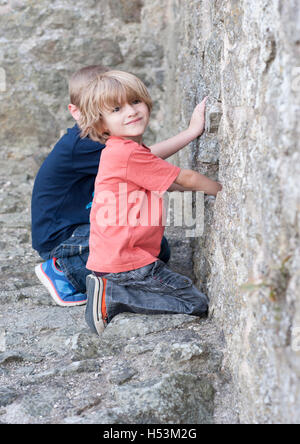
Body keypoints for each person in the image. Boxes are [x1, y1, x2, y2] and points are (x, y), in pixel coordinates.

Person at [31, 65, 211, 307]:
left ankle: (113, 285)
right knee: (121, 256)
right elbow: (147, 162)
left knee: (158, 250)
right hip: (63, 236)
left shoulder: (110, 139)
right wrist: (189, 133)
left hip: (85, 223)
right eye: (111, 107)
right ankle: (64, 270)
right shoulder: (84, 142)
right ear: (77, 111)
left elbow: (146, 164)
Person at [76, 70, 222, 335]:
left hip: (116, 256)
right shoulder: (128, 154)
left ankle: (112, 288)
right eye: (117, 108)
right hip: (128, 261)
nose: (130, 111)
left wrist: (191, 133)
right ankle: (113, 297)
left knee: (174, 277)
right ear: (101, 126)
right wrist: (221, 191)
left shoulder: (123, 150)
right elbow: (186, 178)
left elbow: (166, 178)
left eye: (135, 102)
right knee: (194, 302)